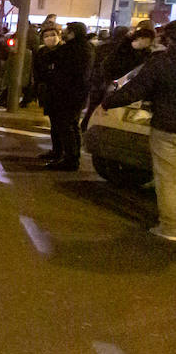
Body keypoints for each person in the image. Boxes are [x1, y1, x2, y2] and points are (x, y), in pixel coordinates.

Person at [103, 40, 176, 241]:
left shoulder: (162, 63)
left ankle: (171, 228)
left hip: (168, 128)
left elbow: (136, 89)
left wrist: (109, 101)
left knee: (168, 179)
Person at [36, 22, 93, 171]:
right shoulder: (84, 47)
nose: (65, 34)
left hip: (68, 94)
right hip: (72, 94)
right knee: (65, 124)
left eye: (67, 31)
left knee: (66, 125)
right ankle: (62, 153)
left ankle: (70, 159)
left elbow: (51, 60)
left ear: (73, 33)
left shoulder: (74, 49)